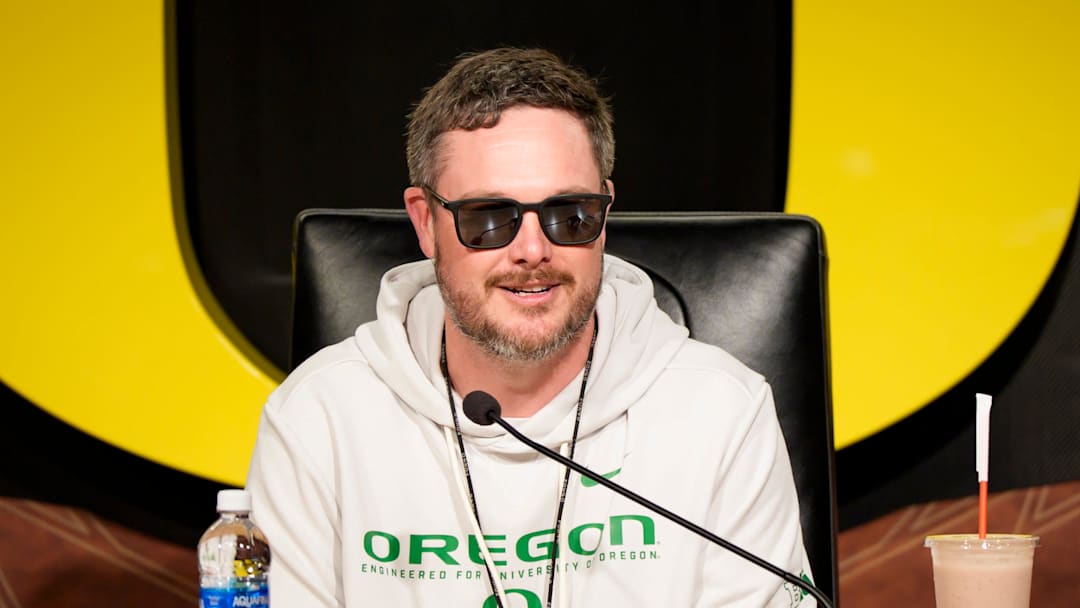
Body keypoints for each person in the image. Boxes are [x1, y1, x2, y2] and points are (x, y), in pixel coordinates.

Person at [246, 47, 815, 607]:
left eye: (570, 214)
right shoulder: (317, 417)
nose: (534, 251)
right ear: (426, 223)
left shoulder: (723, 410)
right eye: (488, 218)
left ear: (605, 214)